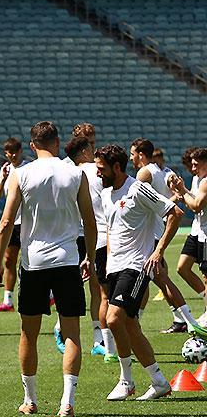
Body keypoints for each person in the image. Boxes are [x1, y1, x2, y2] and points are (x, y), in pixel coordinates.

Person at [0, 121, 96, 417]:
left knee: (29, 333)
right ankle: (67, 402)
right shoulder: (75, 173)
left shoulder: (22, 173)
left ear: (32, 145)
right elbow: (89, 221)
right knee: (72, 333)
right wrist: (89, 257)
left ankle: (30, 399)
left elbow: (6, 222)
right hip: (67, 259)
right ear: (57, 142)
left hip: (34, 262)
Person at [96, 145, 180, 401]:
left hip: (136, 265)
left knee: (113, 319)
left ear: (117, 167)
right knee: (130, 324)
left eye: (102, 169)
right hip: (115, 267)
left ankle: (126, 380)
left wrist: (158, 251)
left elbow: (174, 213)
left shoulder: (137, 189)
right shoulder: (106, 194)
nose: (98, 173)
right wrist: (106, 262)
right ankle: (159, 381)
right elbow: (111, 230)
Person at [130, 138, 205, 336]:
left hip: (148, 234)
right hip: (158, 231)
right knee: (153, 278)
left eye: (132, 154)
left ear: (141, 155)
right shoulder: (167, 172)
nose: (131, 158)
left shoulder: (144, 173)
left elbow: (138, 202)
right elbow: (177, 196)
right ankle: (179, 320)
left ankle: (188, 321)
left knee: (156, 278)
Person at [62, 136, 117, 361]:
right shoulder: (96, 171)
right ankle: (105, 344)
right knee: (103, 292)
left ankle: (96, 338)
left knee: (86, 289)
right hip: (101, 235)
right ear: (85, 150)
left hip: (76, 235)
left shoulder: (70, 173)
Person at [0, 137, 27, 312]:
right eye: (9, 153)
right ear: (5, 153)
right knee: (9, 260)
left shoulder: (28, 168)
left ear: (20, 151)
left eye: (15, 152)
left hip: (27, 221)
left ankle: (46, 295)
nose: (12, 155)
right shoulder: (5, 170)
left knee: (30, 261)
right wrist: (2, 180)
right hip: (12, 222)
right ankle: (8, 301)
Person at [170, 148, 207, 322]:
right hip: (197, 230)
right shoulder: (196, 179)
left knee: (206, 275)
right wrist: (181, 193)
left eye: (195, 164)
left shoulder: (206, 181)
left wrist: (183, 191)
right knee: (182, 267)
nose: (192, 168)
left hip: (206, 233)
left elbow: (197, 206)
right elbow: (192, 200)